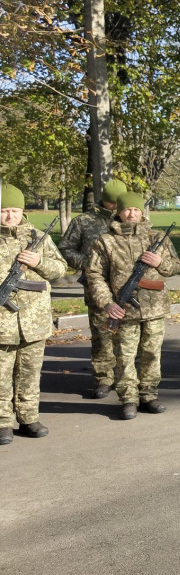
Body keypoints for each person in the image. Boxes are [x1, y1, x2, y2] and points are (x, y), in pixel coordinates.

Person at [85, 192, 180, 420]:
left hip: (155, 308)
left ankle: (148, 394)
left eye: (136, 210)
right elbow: (95, 275)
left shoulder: (157, 238)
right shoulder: (105, 241)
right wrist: (107, 303)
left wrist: (160, 262)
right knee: (125, 356)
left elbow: (175, 267)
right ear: (118, 211)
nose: (132, 214)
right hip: (123, 309)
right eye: (127, 210)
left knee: (151, 353)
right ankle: (128, 398)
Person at [0, 184, 66, 443]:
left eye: (14, 210)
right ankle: (3, 422)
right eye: (4, 210)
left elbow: (61, 268)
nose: (10, 216)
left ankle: (28, 417)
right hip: (2, 324)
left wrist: (39, 263)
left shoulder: (38, 237)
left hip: (34, 320)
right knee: (1, 375)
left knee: (30, 372)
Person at [59, 177, 127, 398]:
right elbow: (66, 249)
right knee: (102, 334)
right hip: (96, 287)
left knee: (128, 335)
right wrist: (88, 265)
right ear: (104, 201)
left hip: (126, 286)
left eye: (120, 203)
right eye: (112, 203)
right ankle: (103, 378)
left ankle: (126, 377)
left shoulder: (130, 219)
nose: (117, 207)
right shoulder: (84, 221)